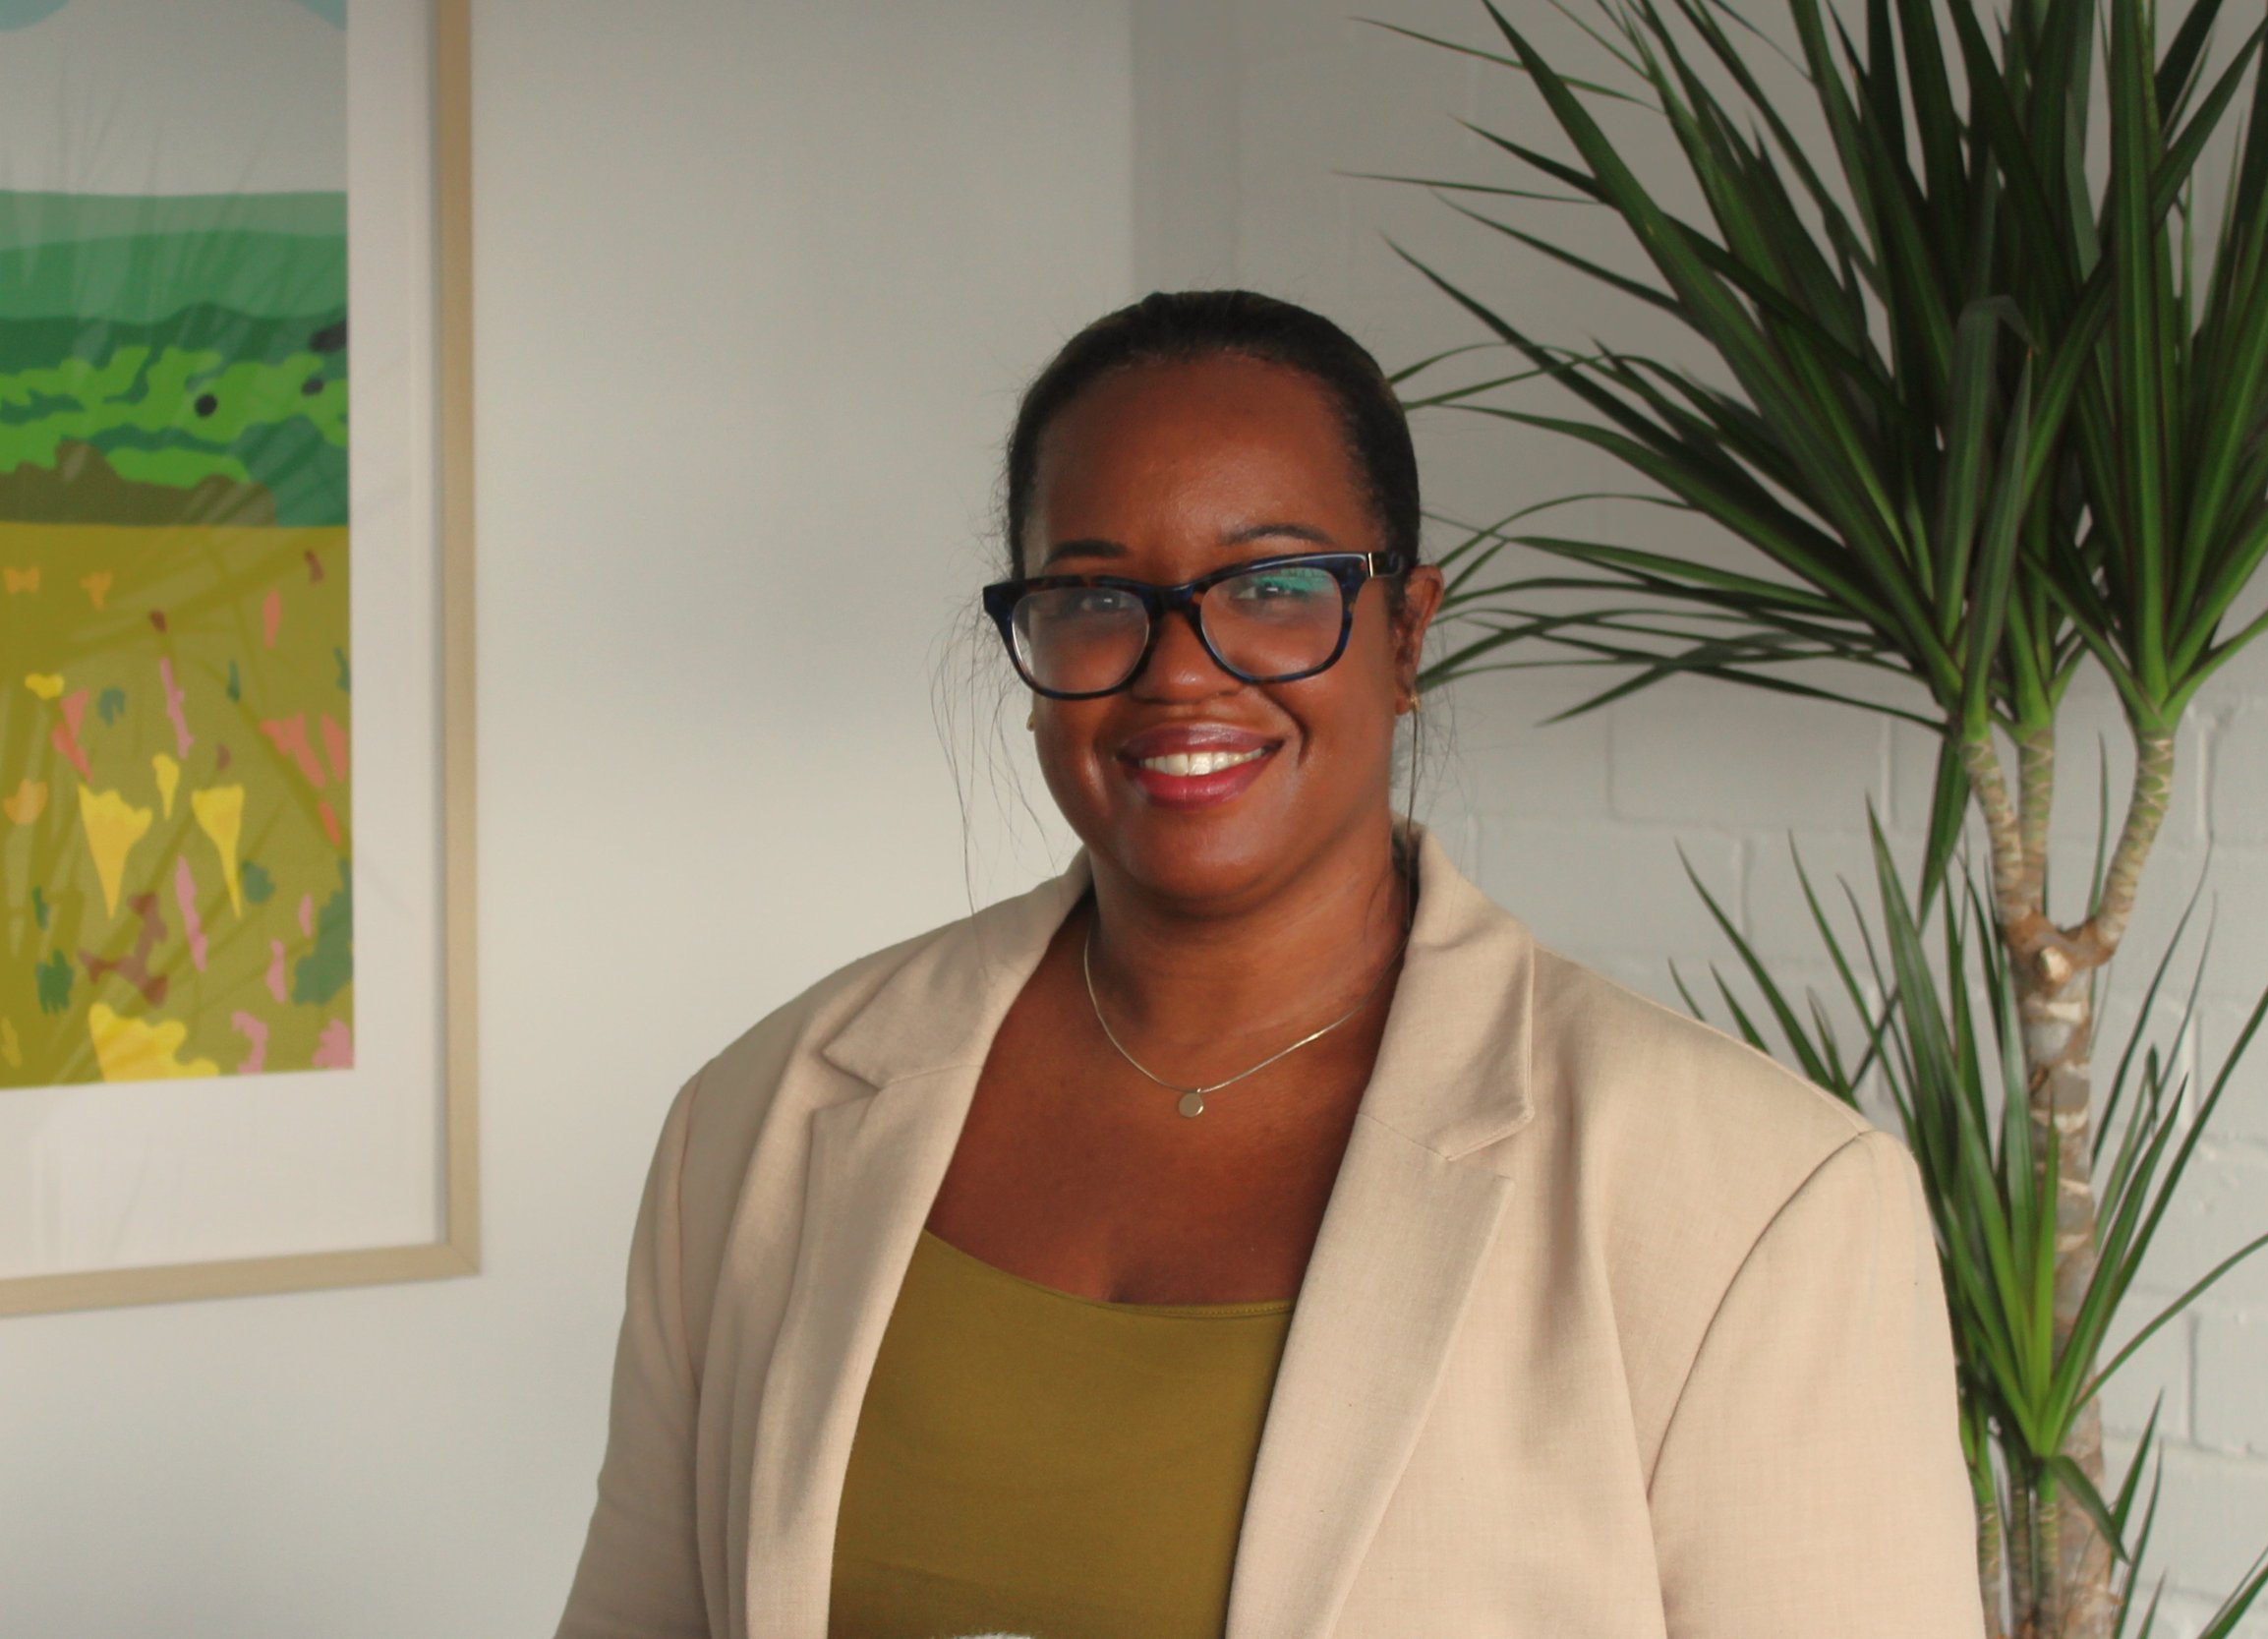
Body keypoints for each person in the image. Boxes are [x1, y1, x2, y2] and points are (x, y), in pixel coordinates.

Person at [552, 290, 1984, 1639]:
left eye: (1275, 586)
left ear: (1407, 631)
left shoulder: (1755, 1202)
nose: (1179, 672)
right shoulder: (760, 1119)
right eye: (1094, 597)